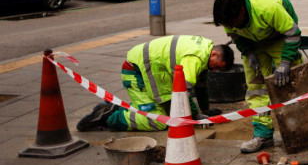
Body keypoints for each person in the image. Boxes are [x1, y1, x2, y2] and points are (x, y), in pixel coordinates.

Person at [76, 36, 234, 132]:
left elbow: (201, 86)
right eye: (216, 66)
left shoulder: (204, 48)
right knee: (158, 121)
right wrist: (194, 117)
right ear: (214, 53)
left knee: (160, 109)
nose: (214, 70)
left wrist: (205, 110)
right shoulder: (196, 58)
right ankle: (109, 118)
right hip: (137, 73)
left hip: (147, 69)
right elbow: (182, 94)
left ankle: (117, 106)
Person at [212, 0, 302, 153]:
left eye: (232, 22)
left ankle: (301, 130)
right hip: (253, 42)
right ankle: (263, 135)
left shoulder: (268, 9)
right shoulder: (228, 16)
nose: (230, 26)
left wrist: (285, 63)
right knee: (256, 89)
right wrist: (249, 51)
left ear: (241, 11)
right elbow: (236, 36)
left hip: (281, 37)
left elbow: (293, 34)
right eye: (227, 24)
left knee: (292, 83)